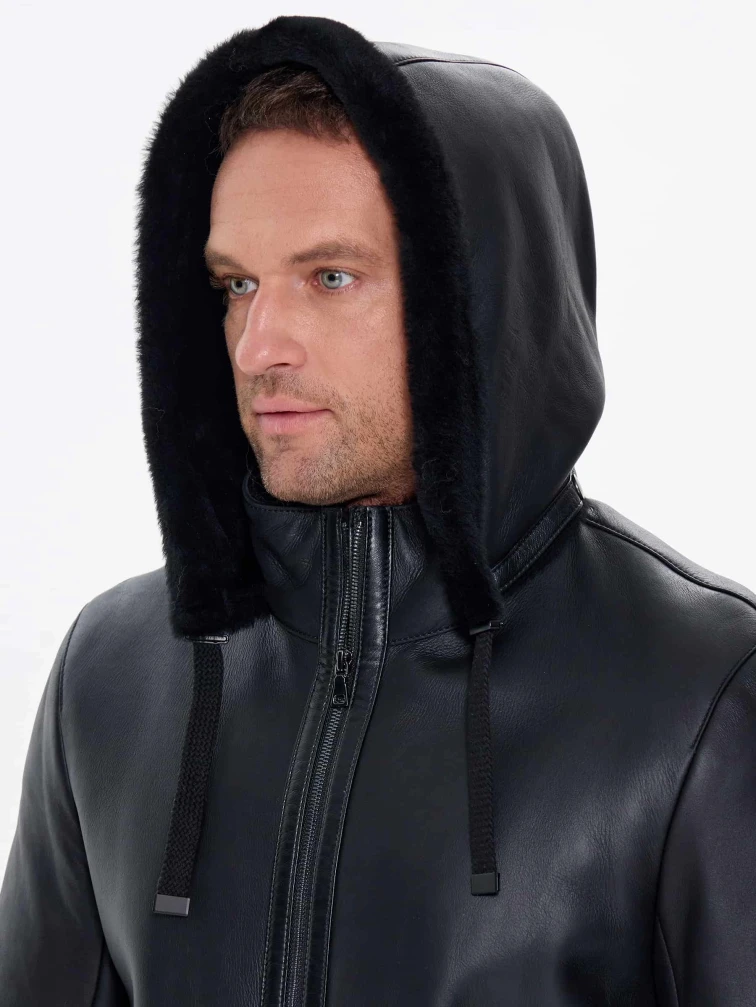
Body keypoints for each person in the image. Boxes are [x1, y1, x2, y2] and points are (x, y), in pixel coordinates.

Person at [1, 13, 754, 1006]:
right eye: (236, 284)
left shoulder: (704, 692)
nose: (258, 344)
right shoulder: (112, 671)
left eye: (331, 276)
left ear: (479, 302)